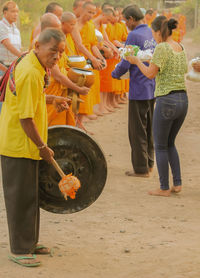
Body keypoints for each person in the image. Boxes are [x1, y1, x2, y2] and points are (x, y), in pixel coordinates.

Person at [0, 28, 71, 267]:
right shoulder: (30, 71)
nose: (57, 57)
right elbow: (25, 118)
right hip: (20, 143)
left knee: (31, 195)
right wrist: (42, 146)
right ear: (37, 45)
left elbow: (33, 97)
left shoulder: (34, 63)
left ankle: (30, 241)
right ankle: (20, 248)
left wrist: (53, 100)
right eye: (53, 51)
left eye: (60, 53)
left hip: (27, 143)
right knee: (20, 198)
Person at [126, 16, 188, 196]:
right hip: (182, 99)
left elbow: (150, 74)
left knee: (160, 145)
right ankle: (177, 184)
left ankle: (163, 188)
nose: (153, 37)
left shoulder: (162, 47)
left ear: (159, 32)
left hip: (166, 99)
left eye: (153, 34)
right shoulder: (180, 46)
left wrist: (136, 61)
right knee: (170, 143)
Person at [112, 4, 156, 178]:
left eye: (125, 20)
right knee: (149, 127)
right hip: (152, 86)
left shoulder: (134, 34)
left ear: (131, 19)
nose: (125, 23)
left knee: (137, 130)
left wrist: (115, 74)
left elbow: (126, 60)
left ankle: (140, 168)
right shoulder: (150, 32)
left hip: (138, 88)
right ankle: (150, 164)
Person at [0, 1, 22, 112]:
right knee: (1, 101)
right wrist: (22, 55)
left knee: (10, 100)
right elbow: (7, 45)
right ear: (5, 13)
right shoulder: (1, 26)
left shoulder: (16, 29)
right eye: (13, 11)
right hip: (2, 68)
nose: (16, 14)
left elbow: (18, 48)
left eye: (17, 11)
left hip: (12, 69)